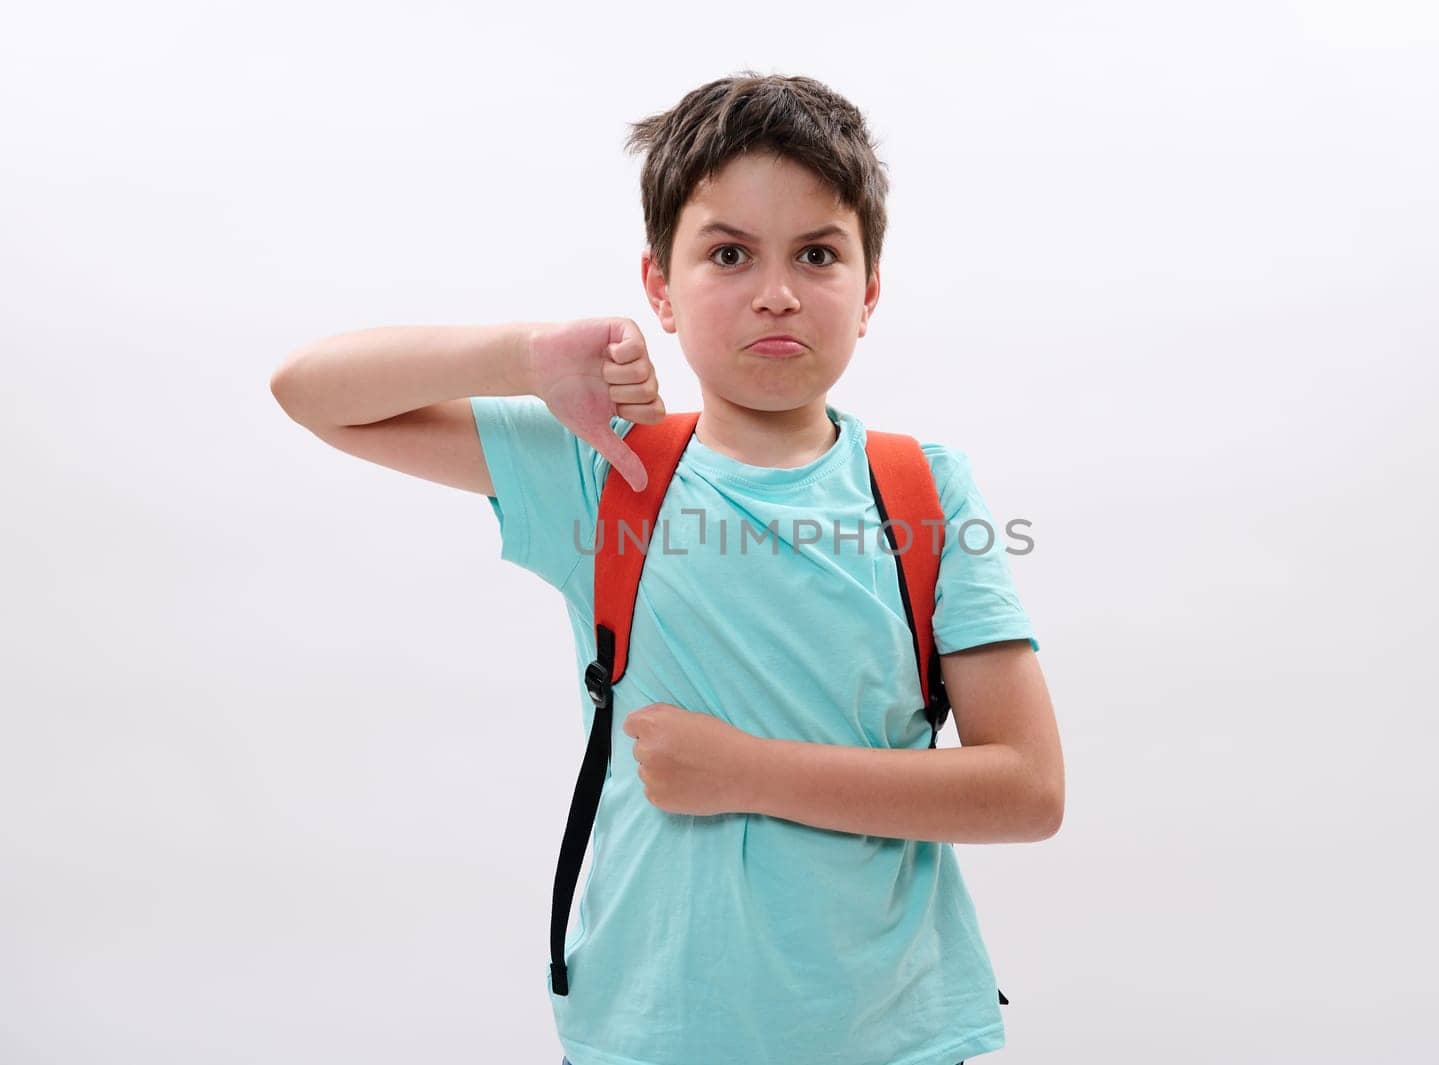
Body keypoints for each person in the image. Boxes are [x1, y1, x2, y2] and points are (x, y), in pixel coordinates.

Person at [271, 70, 1063, 1065]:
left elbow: (1026, 789)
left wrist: (745, 773)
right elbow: (310, 392)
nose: (776, 291)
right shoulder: (605, 467)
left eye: (816, 254)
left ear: (867, 293)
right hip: (648, 1035)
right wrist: (525, 358)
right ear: (660, 288)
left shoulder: (925, 490)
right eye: (728, 253)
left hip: (892, 1038)